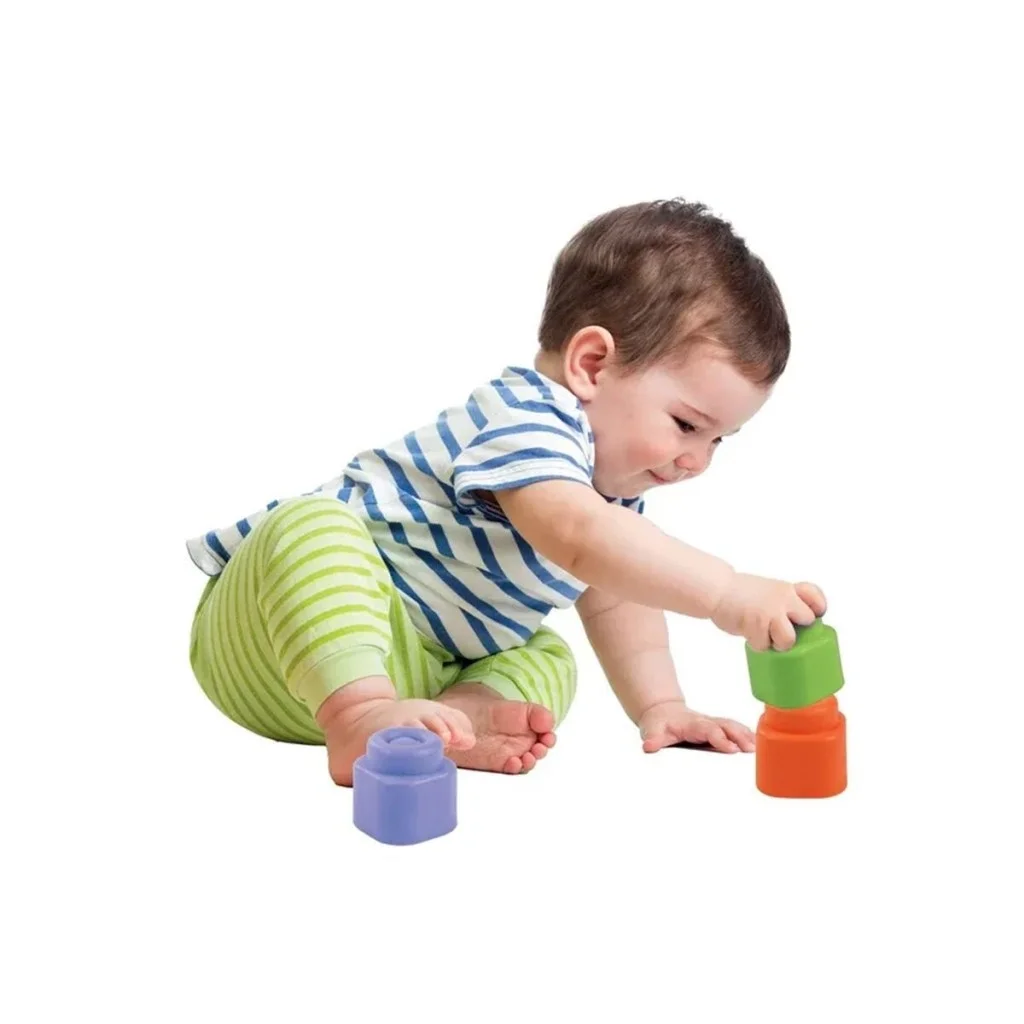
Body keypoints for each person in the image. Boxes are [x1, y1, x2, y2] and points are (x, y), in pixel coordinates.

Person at [186, 198, 827, 786]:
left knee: (549, 656)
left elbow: (616, 588)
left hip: (415, 674)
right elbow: (580, 537)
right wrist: (726, 593)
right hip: (278, 637)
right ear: (592, 365)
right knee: (312, 527)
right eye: (687, 425)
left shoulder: (609, 494)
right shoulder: (529, 417)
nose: (698, 461)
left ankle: (456, 719)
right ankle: (359, 716)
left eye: (719, 440)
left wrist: (662, 706)